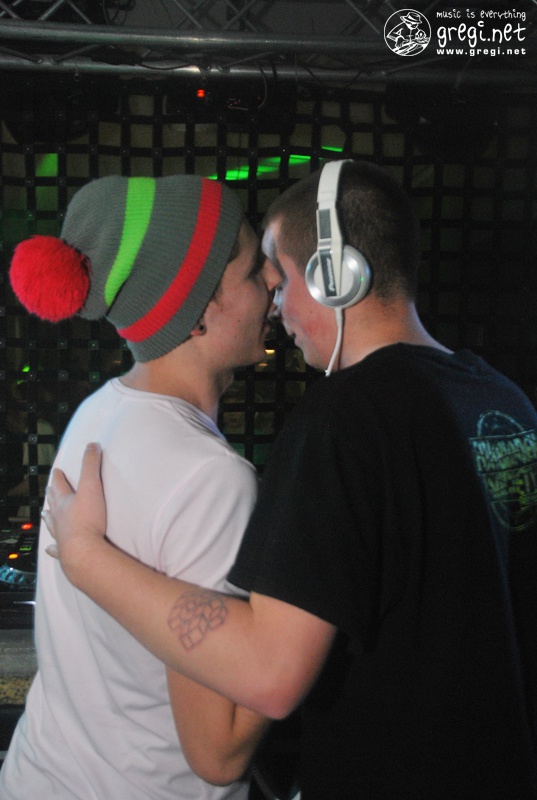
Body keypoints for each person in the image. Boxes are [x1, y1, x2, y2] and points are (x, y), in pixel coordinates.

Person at [41, 161, 537, 799]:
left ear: (337, 275)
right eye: (260, 278)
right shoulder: (508, 403)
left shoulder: (340, 422)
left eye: (277, 278)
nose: (275, 304)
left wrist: (87, 559)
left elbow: (269, 675)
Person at [0, 174, 281, 800]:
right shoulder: (211, 480)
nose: (273, 279)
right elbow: (219, 749)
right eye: (251, 270)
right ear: (199, 314)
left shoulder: (97, 414)